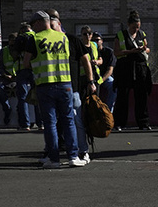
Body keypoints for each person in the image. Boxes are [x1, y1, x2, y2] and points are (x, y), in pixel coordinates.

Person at [23, 10, 85, 168]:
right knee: (68, 120)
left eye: (33, 25)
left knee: (50, 123)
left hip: (45, 84)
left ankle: (54, 159)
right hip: (65, 83)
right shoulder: (63, 37)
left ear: (38, 23)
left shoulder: (35, 39)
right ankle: (73, 156)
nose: (32, 28)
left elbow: (26, 63)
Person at [48, 10, 94, 166]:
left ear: (59, 24)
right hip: (54, 87)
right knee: (53, 122)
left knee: (76, 121)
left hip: (72, 88)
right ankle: (53, 153)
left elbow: (86, 61)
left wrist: (91, 81)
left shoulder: (72, 40)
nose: (49, 29)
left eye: (52, 25)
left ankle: (82, 151)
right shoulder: (48, 42)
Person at [113, 10, 153, 131]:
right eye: (134, 27)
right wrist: (131, 52)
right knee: (122, 97)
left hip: (140, 68)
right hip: (125, 68)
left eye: (138, 27)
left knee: (141, 97)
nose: (136, 29)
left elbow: (148, 49)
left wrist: (143, 49)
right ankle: (119, 123)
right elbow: (117, 52)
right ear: (129, 25)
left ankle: (143, 123)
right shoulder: (120, 35)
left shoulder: (142, 34)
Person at [0, 32, 21, 127]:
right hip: (6, 77)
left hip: (18, 77)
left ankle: (20, 111)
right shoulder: (4, 51)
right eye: (11, 40)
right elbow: (0, 66)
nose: (12, 43)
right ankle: (7, 109)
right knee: (0, 87)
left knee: (22, 92)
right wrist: (5, 75)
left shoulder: (21, 51)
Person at [93, 33, 116, 109]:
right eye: (93, 40)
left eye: (97, 40)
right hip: (92, 78)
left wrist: (101, 81)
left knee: (113, 86)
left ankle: (108, 111)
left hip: (105, 77)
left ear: (102, 41)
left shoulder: (109, 52)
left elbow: (110, 70)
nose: (95, 42)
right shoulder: (89, 52)